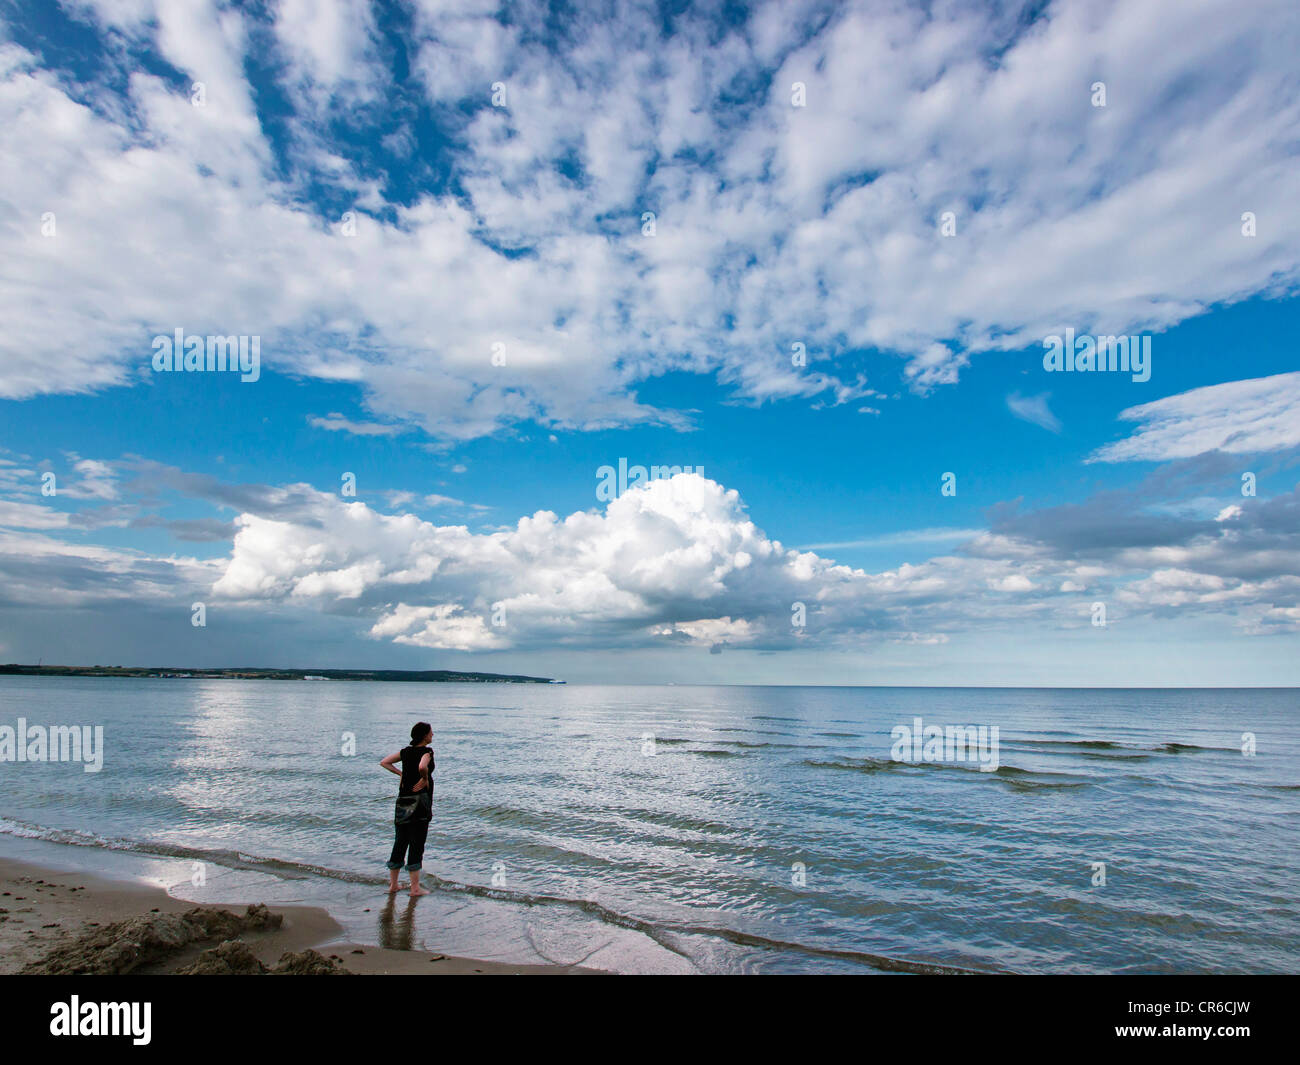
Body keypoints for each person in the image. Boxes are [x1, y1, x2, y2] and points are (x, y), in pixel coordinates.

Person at [380, 722, 435, 896]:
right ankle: (415, 889)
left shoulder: (405, 752)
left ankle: (393, 885)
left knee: (401, 840)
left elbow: (385, 762)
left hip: (403, 800)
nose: (433, 735)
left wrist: (401, 774)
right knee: (417, 842)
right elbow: (422, 766)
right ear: (424, 735)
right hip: (420, 802)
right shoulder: (427, 752)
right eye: (431, 733)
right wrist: (424, 778)